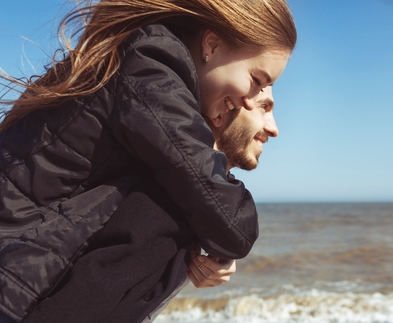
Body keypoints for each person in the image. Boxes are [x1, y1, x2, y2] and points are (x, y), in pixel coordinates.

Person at [0, 0, 296, 322]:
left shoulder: (141, 57)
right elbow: (217, 203)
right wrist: (221, 235)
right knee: (176, 202)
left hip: (18, 269)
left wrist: (213, 240)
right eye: (256, 80)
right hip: (14, 282)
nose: (250, 99)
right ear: (211, 43)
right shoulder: (151, 59)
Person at [19, 86, 278, 323]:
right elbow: (82, 300)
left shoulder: (188, 199)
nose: (273, 128)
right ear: (222, 109)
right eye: (264, 108)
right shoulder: (165, 200)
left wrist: (220, 243)